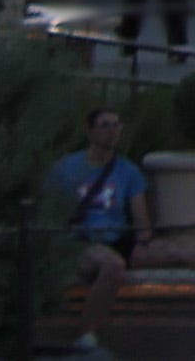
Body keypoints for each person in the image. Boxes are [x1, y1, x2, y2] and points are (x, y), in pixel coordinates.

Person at [44, 107, 149, 350]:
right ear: (90, 132)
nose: (112, 131)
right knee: (113, 266)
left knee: (177, 253)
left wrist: (143, 243)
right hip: (81, 241)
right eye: (105, 125)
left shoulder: (128, 171)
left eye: (116, 125)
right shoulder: (65, 168)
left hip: (118, 241)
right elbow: (49, 212)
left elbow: (142, 220)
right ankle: (86, 335)